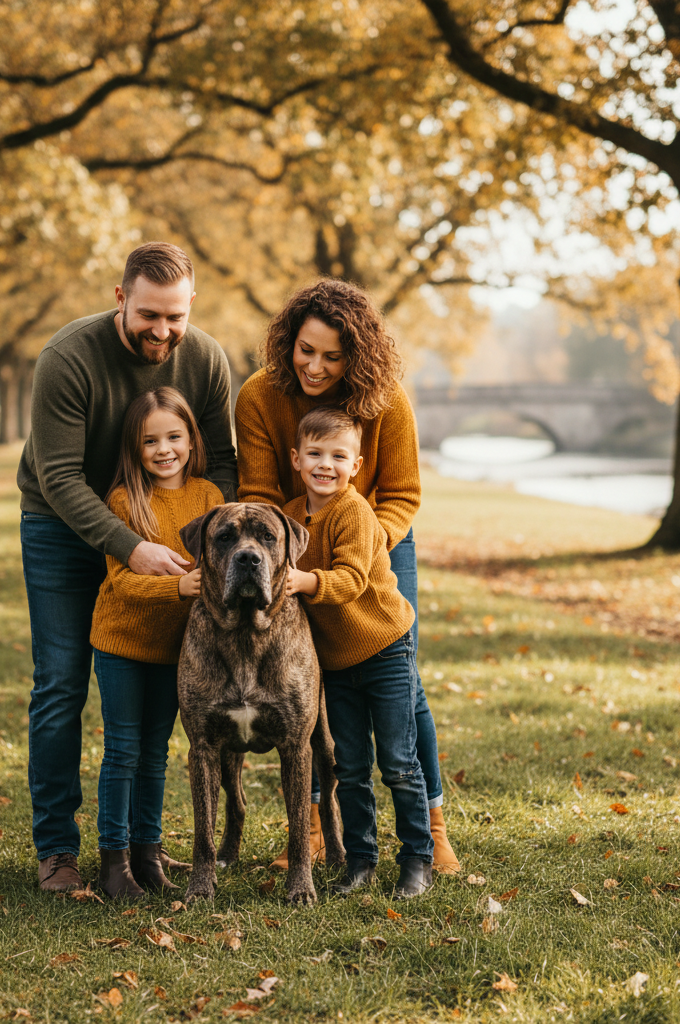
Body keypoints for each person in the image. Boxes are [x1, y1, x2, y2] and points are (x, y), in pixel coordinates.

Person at [18, 242, 237, 892]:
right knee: (60, 685)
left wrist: (206, 540)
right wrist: (128, 546)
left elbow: (219, 460)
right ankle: (58, 850)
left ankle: (143, 846)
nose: (164, 331)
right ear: (121, 299)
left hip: (163, 533)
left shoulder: (207, 358)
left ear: (191, 302)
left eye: (176, 316)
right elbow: (57, 474)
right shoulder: (69, 357)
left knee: (157, 698)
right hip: (62, 525)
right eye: (149, 315)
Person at [235, 279, 459, 873]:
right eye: (306, 350)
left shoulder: (387, 401)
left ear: (357, 355)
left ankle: (432, 829)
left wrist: (356, 551)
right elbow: (257, 494)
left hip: (375, 541)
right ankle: (314, 828)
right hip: (291, 547)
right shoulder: (259, 397)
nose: (315, 365)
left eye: (333, 356)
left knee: (401, 681)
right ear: (289, 342)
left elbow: (402, 493)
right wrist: (300, 554)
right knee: (304, 681)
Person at [285, 406, 433, 896]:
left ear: (356, 465)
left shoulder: (355, 512)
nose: (325, 465)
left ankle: (417, 859)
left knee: (396, 762)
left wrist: (302, 580)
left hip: (385, 646)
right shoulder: (289, 518)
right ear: (296, 459)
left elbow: (350, 581)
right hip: (335, 663)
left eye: (338, 456)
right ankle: (360, 860)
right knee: (348, 766)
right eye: (315, 454)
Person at [89, 388, 224, 898]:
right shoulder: (125, 499)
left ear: (191, 439)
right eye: (151, 441)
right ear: (135, 447)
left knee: (156, 752)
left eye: (174, 436)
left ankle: (149, 855)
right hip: (123, 643)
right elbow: (121, 582)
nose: (164, 449)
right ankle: (114, 862)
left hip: (177, 650)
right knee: (123, 750)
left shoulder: (210, 497)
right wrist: (178, 585)